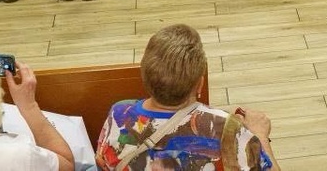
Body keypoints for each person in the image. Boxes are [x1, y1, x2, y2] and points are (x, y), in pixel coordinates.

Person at [94, 24, 277, 170]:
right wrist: (260, 136)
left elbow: (102, 161)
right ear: (200, 84)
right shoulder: (227, 127)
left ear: (145, 77)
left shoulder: (119, 113)